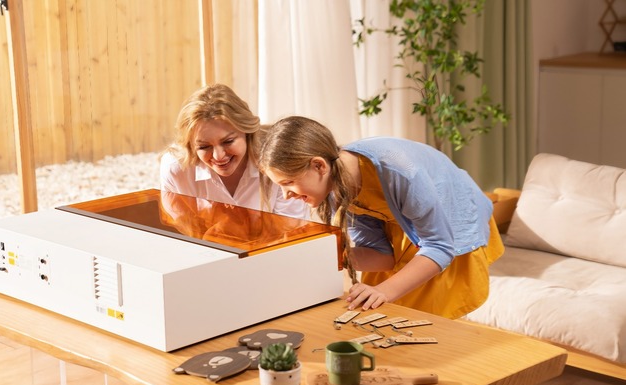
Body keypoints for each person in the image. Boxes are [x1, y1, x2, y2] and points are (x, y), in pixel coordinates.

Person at [257, 116, 504, 319]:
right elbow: (383, 257)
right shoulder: (338, 189)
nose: (286, 195)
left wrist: (384, 291)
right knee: (384, 311)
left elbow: (439, 247)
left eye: (288, 183)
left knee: (425, 320)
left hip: (450, 223)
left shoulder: (399, 171)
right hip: (408, 228)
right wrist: (321, 257)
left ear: (319, 166)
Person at [160, 84, 307, 219]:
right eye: (204, 147)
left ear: (247, 132)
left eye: (228, 141)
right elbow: (183, 233)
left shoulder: (281, 158)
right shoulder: (176, 169)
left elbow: (290, 233)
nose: (218, 156)